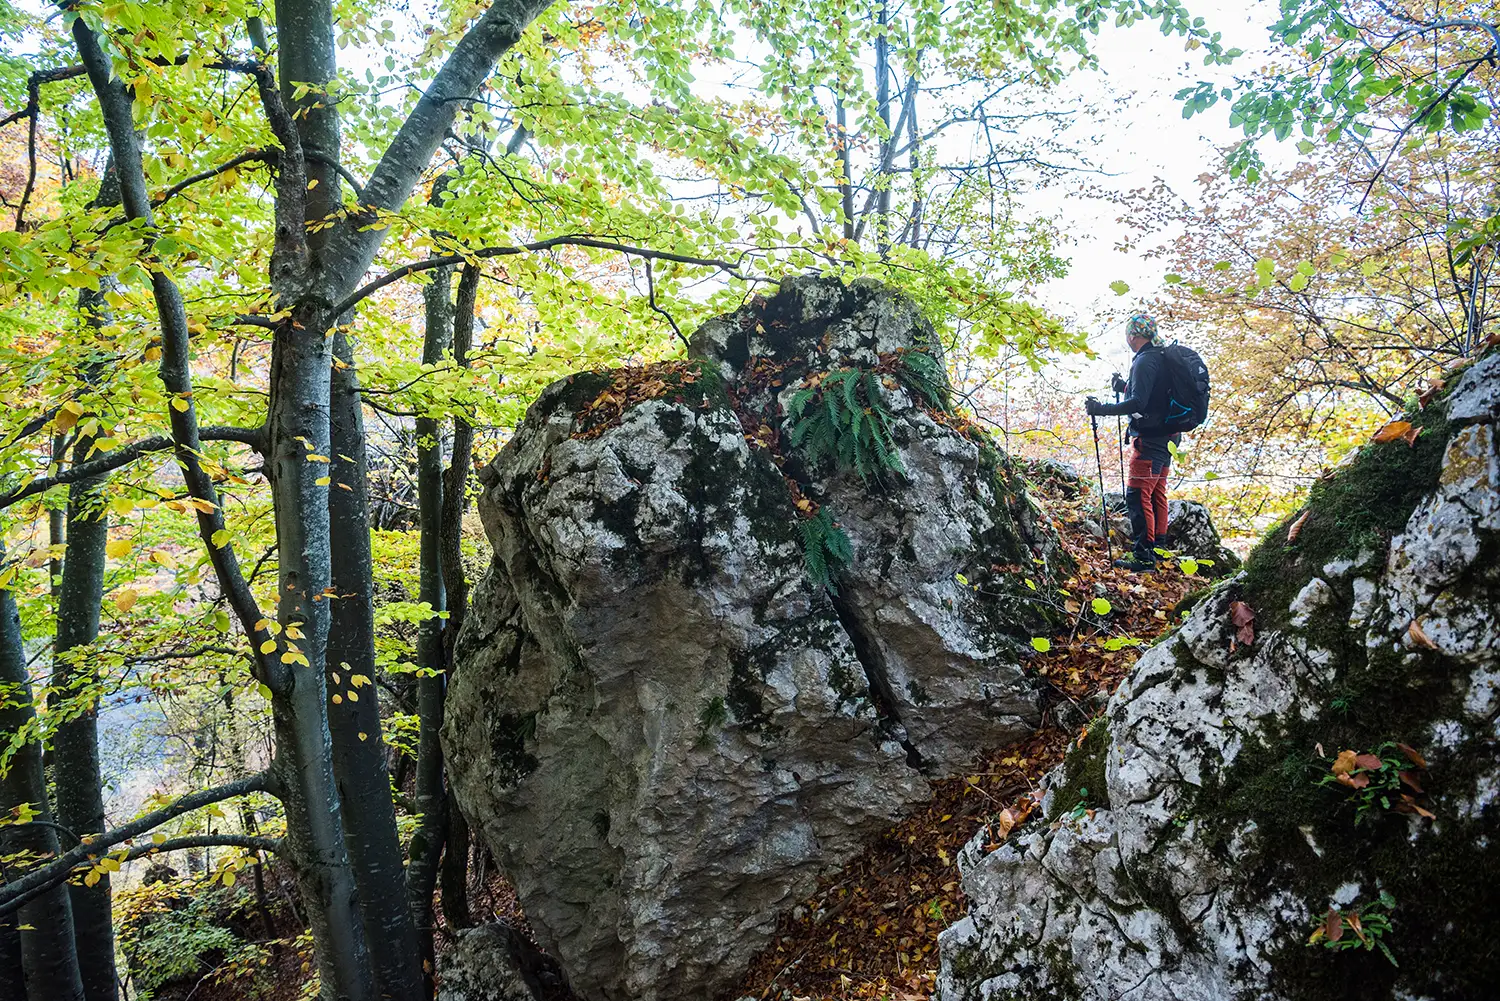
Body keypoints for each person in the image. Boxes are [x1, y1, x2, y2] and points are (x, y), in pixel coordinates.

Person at [1085, 314, 1180, 572]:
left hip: (1150, 440)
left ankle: (1143, 556)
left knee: (1138, 494)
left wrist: (1100, 409)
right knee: (1156, 491)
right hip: (1169, 436)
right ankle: (1158, 547)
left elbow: (1139, 403)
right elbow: (1153, 395)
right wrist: (1123, 386)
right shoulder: (1160, 356)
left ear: (1132, 336)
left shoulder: (1145, 361)